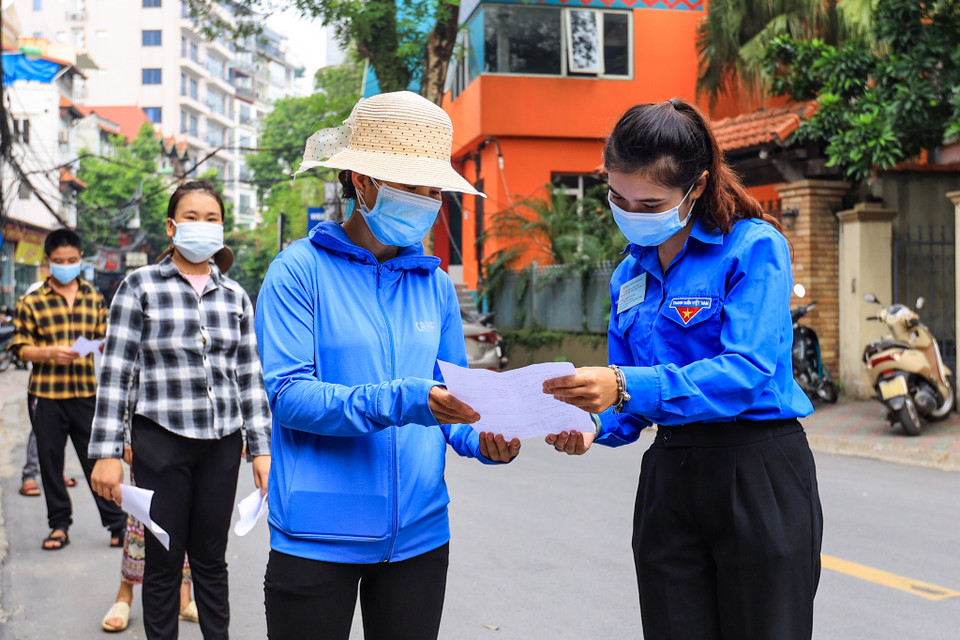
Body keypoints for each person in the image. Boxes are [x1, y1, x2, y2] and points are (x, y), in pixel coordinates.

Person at [543, 98, 823, 640]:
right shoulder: (629, 273)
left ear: (694, 188)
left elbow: (746, 372)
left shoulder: (753, 248)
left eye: (649, 203)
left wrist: (623, 385)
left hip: (756, 469)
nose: (631, 212)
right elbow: (627, 403)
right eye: (618, 197)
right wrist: (591, 425)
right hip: (669, 479)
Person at [256, 90, 521, 640]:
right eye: (413, 186)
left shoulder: (436, 285)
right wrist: (403, 398)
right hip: (315, 538)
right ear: (363, 182)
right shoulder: (296, 273)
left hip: (420, 540)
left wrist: (486, 437)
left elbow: (455, 399)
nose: (428, 200)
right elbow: (288, 396)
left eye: (433, 189)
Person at [89, 180, 272, 640]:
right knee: (164, 558)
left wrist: (263, 449)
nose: (202, 227)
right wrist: (108, 450)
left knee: (211, 557)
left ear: (223, 229)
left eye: (212, 219)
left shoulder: (234, 296)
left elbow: (249, 376)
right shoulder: (140, 287)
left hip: (222, 443)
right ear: (172, 227)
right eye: (191, 218)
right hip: (160, 440)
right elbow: (117, 372)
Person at [11, 229, 127, 550]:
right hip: (45, 394)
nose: (66, 265)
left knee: (97, 462)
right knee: (51, 463)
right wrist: (49, 353)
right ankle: (59, 526)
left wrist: (102, 344)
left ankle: (117, 524)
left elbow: (107, 338)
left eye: (72, 260)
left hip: (86, 393)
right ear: (48, 262)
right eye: (59, 261)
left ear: (80, 260)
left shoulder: (93, 297)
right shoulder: (31, 301)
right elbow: (19, 347)